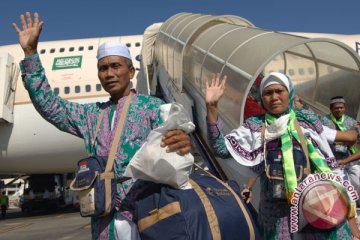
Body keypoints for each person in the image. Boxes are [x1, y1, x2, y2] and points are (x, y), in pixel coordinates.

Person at [13, 12, 191, 239]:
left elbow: (176, 146)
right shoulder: (91, 115)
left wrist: (182, 142)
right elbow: (49, 104)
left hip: (146, 217)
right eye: (103, 68)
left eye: (116, 66)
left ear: (131, 71)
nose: (109, 73)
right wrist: (30, 54)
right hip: (104, 221)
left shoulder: (152, 108)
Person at [205, 72, 357, 239]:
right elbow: (220, 148)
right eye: (268, 93)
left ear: (289, 93)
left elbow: (330, 166)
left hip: (316, 206)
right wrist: (212, 107)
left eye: (279, 91)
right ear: (262, 98)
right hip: (277, 216)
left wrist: (350, 220)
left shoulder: (307, 120)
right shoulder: (255, 127)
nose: (274, 97)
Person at [321, 96, 360, 200]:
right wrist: (346, 139)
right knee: (339, 184)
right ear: (331, 108)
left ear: (345, 108)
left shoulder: (351, 122)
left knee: (357, 180)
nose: (339, 110)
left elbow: (355, 139)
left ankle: (356, 202)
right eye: (336, 108)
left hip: (350, 157)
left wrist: (342, 140)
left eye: (341, 107)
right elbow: (324, 137)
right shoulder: (324, 121)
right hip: (333, 158)